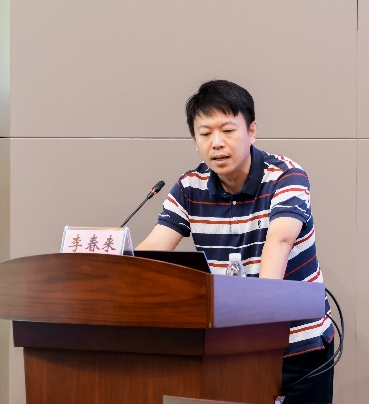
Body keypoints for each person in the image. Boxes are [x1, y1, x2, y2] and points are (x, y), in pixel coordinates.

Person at [137, 79, 335, 403]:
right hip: (236, 347)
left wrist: (262, 315)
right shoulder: (189, 187)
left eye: (228, 130)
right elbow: (154, 250)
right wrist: (111, 271)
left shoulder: (286, 176)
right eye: (205, 134)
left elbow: (280, 240)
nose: (217, 143)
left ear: (251, 131)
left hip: (299, 345)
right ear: (194, 140)